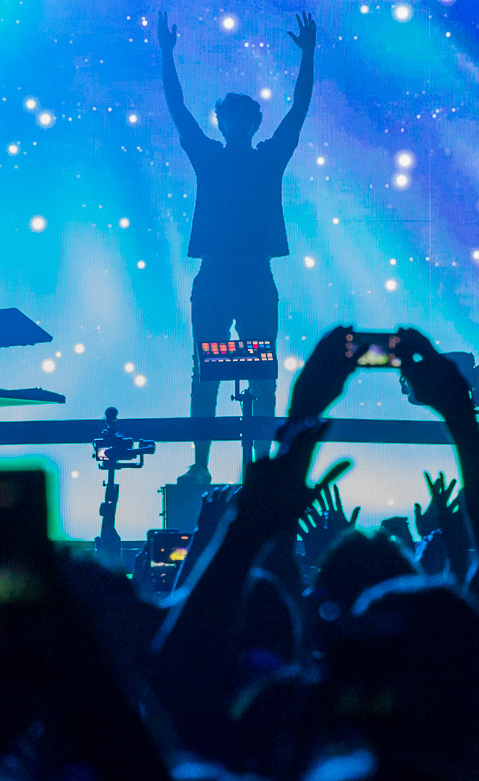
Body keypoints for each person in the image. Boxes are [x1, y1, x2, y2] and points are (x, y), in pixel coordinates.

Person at [158, 10, 316, 482]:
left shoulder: (264, 158)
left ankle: (254, 466)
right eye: (230, 117)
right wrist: (166, 55)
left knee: (259, 370)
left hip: (248, 275)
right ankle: (202, 466)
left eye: (243, 117)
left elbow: (298, 109)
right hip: (223, 275)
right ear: (224, 122)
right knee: (208, 369)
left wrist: (309, 57)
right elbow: (177, 107)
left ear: (249, 122)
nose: (236, 123)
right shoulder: (217, 156)